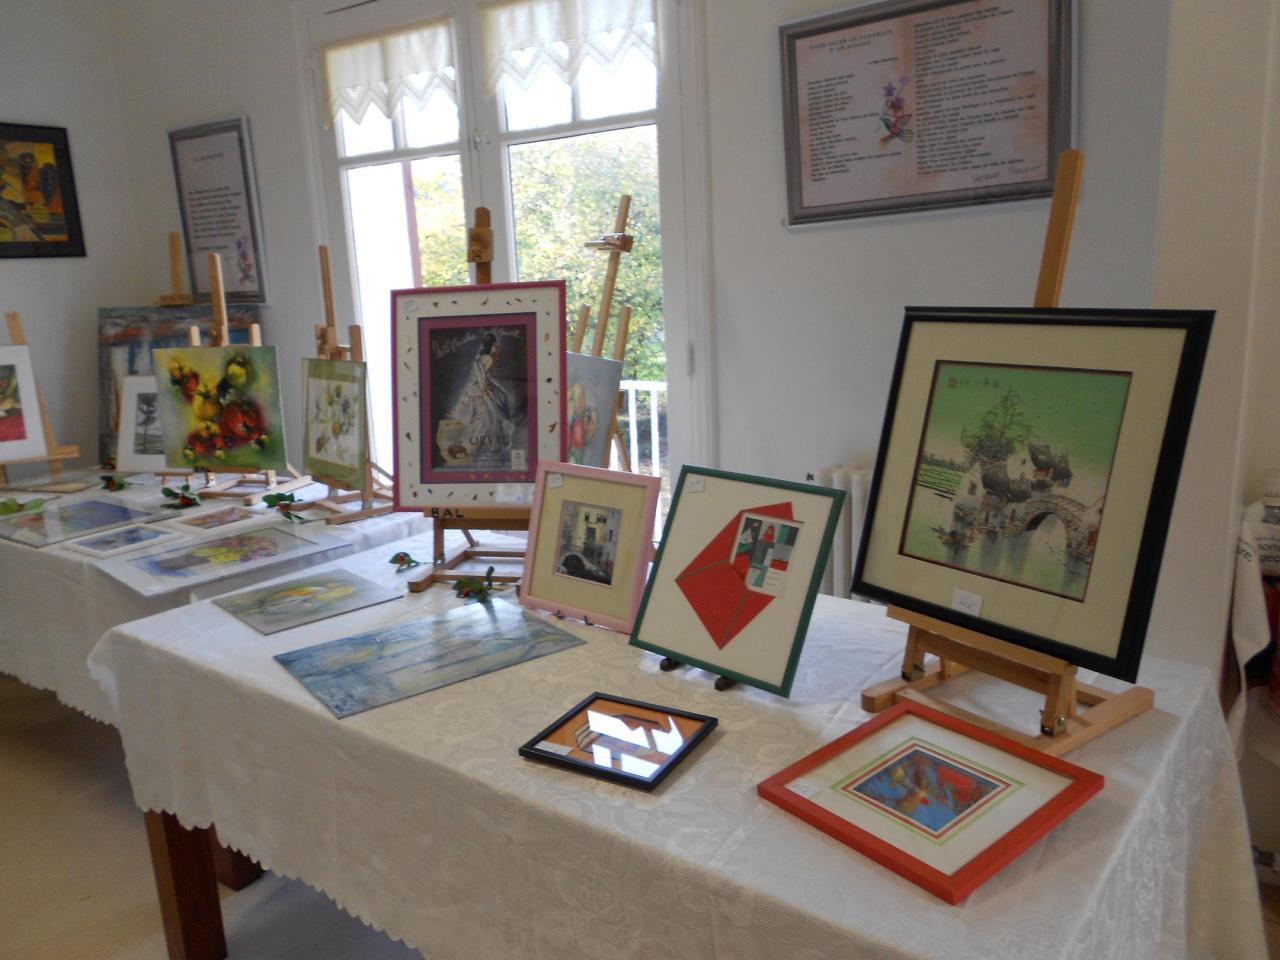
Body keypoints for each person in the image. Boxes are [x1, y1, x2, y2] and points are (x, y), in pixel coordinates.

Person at [450, 333, 514, 459]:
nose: (496, 348)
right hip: (480, 388)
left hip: (478, 386)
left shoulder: (480, 357)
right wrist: (484, 387)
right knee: (488, 417)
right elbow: (482, 376)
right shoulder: (488, 358)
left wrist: (490, 385)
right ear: (491, 345)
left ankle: (476, 446)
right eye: (495, 345)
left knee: (487, 415)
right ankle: (476, 447)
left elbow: (483, 376)